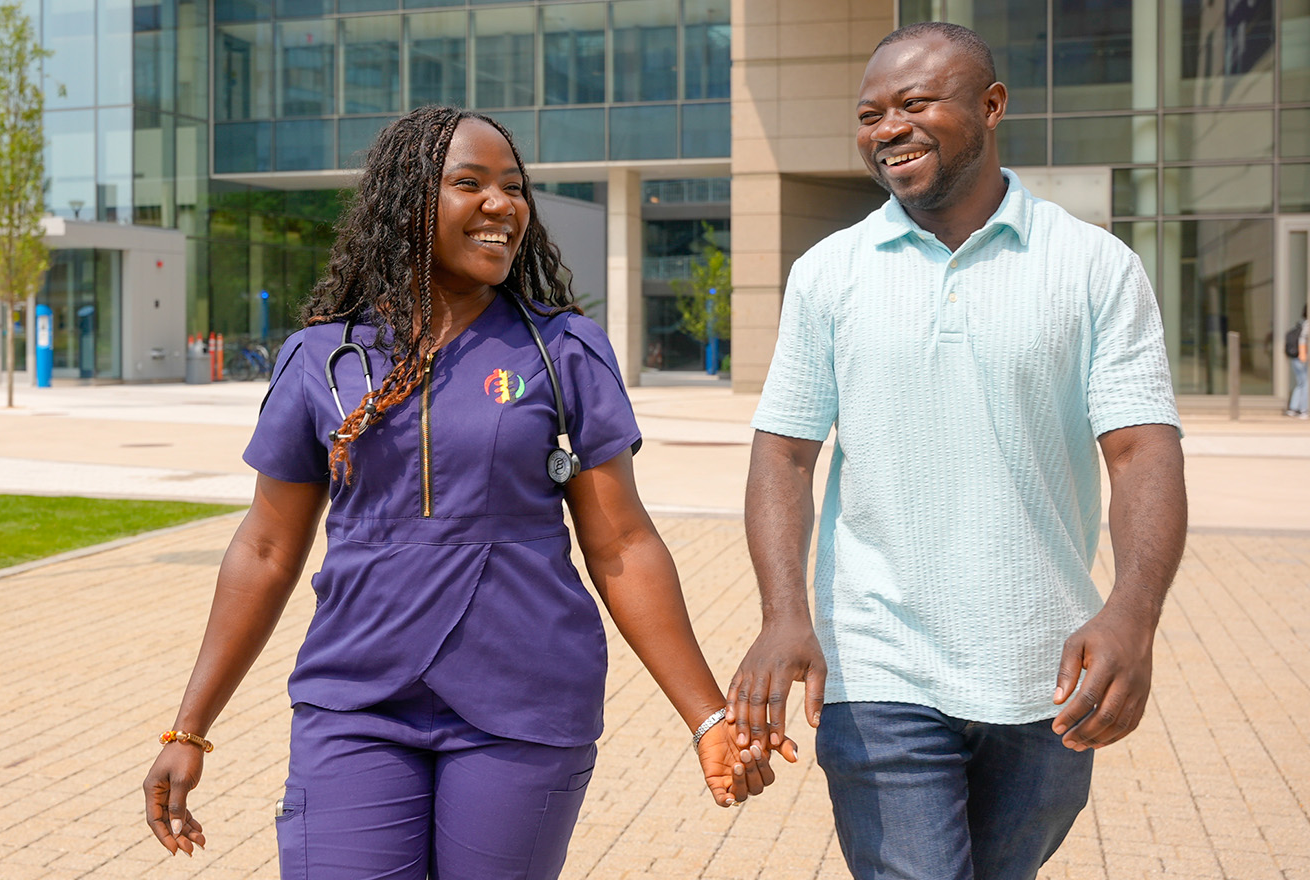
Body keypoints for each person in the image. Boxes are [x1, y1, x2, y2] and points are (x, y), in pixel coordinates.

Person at [142, 106, 793, 879]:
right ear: (408, 202)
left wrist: (706, 716)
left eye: (514, 187)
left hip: (525, 704)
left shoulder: (563, 349)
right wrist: (190, 728)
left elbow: (621, 542)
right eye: (470, 184)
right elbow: (265, 546)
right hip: (357, 703)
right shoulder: (325, 357)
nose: (502, 205)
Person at [726, 22, 1187, 880]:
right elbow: (784, 453)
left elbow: (1141, 454)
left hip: (1046, 668)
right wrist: (784, 612)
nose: (886, 128)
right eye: (869, 114)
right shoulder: (828, 273)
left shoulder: (1095, 267)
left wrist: (1134, 611)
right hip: (877, 664)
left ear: (991, 105)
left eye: (914, 103)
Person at [1285, 307, 1307, 418]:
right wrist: (1303, 354)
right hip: (1302, 358)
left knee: (1301, 383)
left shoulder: (1300, 324)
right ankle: (1303, 410)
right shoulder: (1307, 324)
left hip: (1296, 357)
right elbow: (1303, 339)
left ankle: (1293, 408)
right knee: (1305, 383)